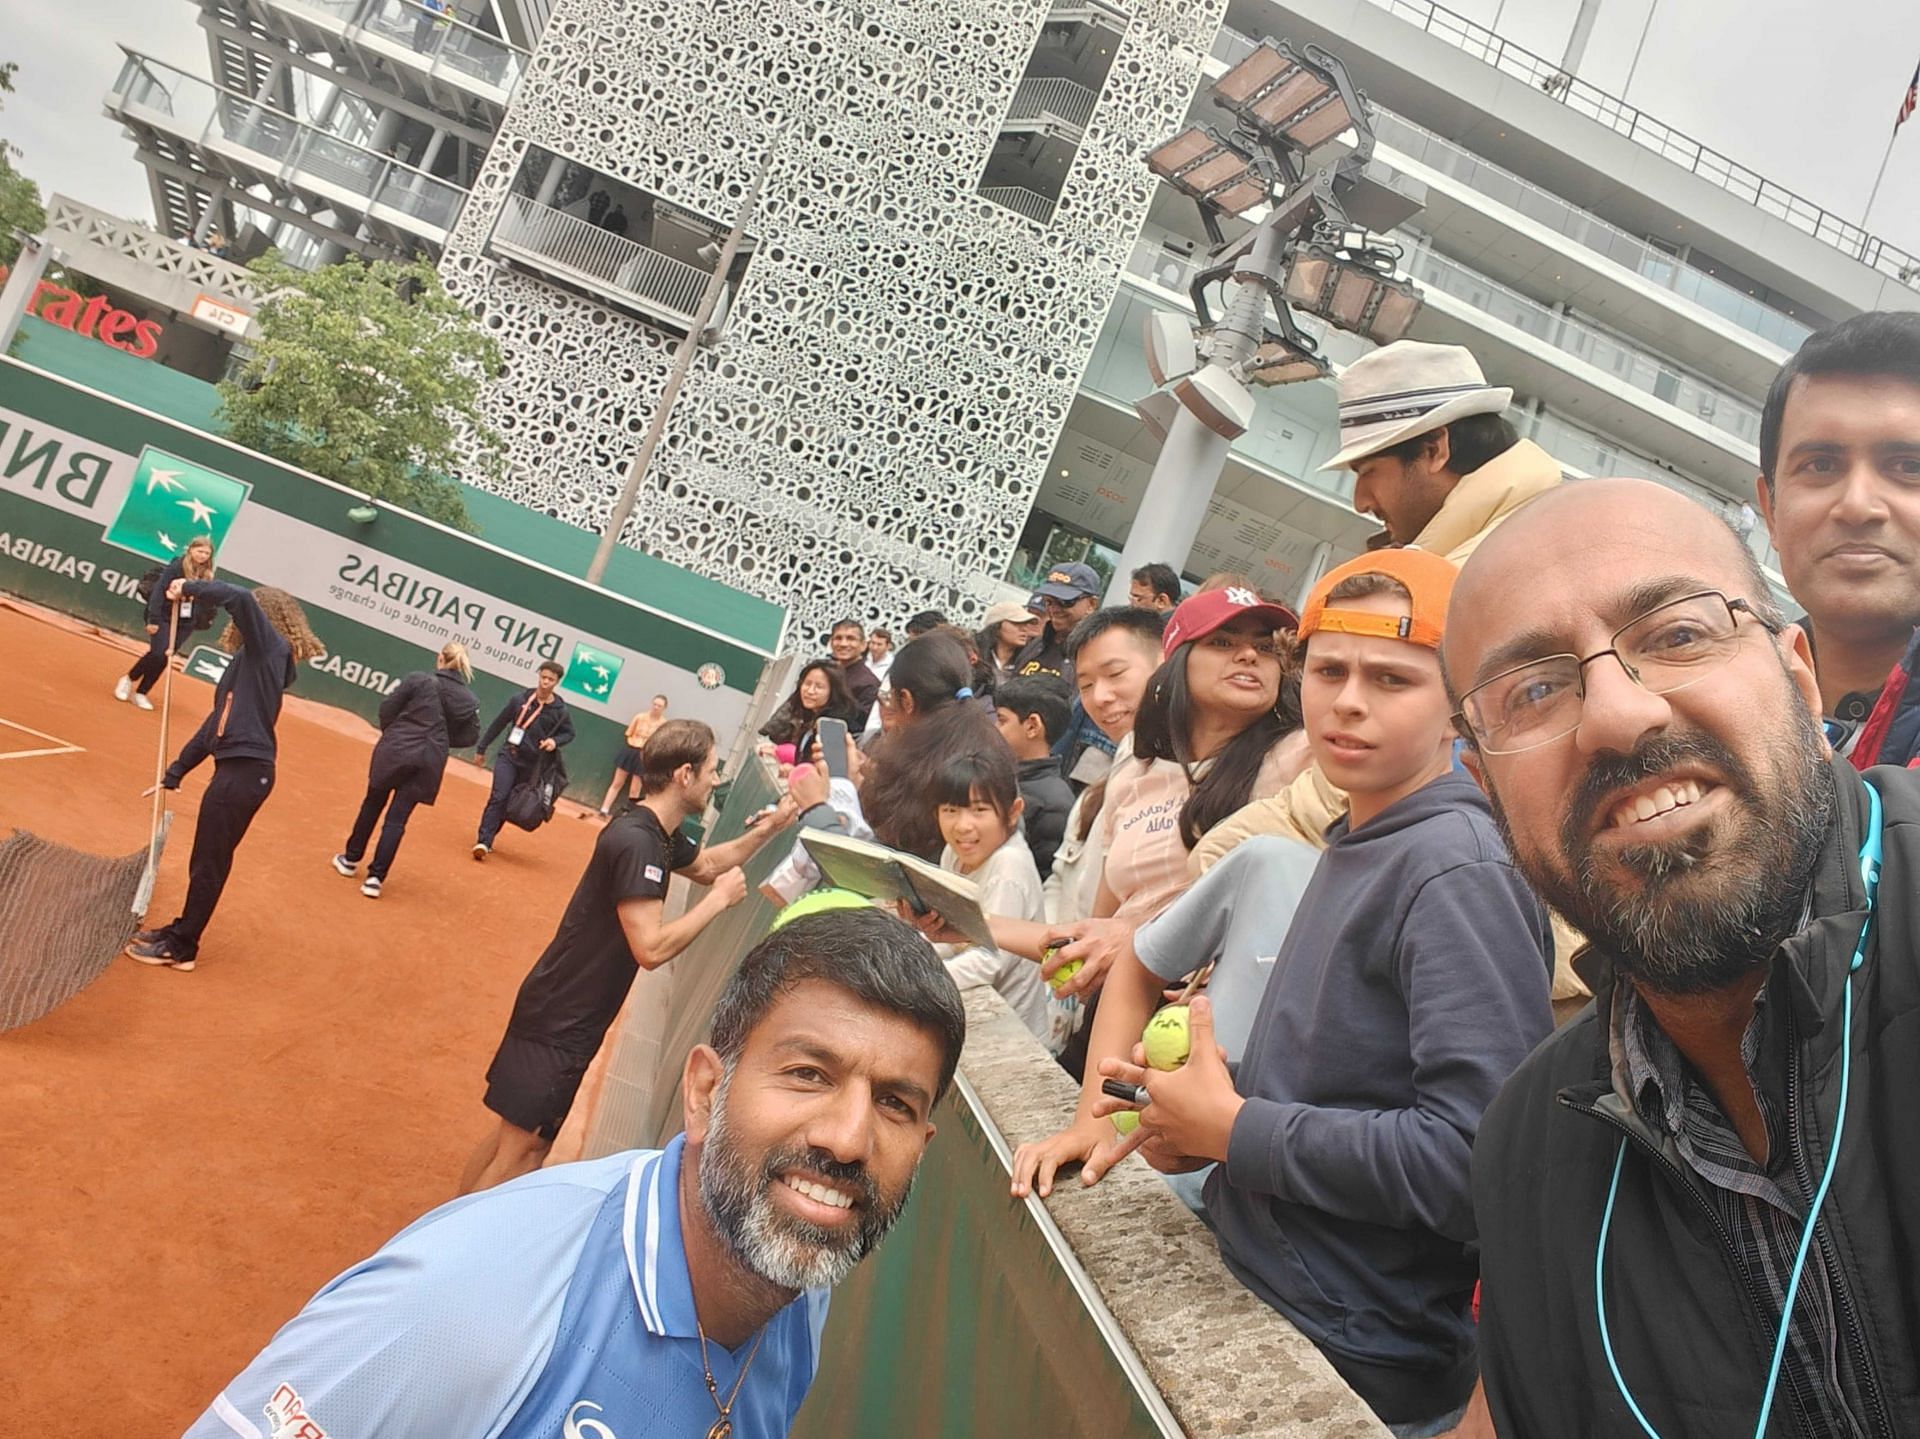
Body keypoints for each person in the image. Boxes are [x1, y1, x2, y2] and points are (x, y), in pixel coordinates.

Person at [1444, 477, 1920, 1439]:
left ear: (1799, 676)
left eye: (1678, 634)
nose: (1617, 716)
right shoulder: (1529, 1154)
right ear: (1483, 784)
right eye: (1533, 689)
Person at [1047, 551, 1552, 1437]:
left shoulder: (1456, 871)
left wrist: (1237, 1130)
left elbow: (1475, 1163)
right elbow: (1344, 1086)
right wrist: (1187, 1118)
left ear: (1460, 704)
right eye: (1328, 669)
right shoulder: (1363, 833)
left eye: (1392, 678)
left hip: (1344, 1348)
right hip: (1270, 1282)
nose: (1348, 701)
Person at [185, 908, 964, 1439]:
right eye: (807, 1073)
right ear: (704, 1092)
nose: (849, 1137)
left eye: (894, 1103)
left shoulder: (800, 1285)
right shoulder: (468, 1301)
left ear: (922, 1145)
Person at [464, 720, 799, 1192]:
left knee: (515, 1142)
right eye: (710, 769)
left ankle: (446, 1237)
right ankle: (458, 1253)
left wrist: (771, 828)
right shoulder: (638, 841)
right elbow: (650, 947)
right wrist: (719, 902)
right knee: (523, 1151)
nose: (715, 779)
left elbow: (706, 865)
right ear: (684, 774)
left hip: (564, 1009)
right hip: (561, 1017)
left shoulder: (655, 832)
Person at [125, 581, 326, 971]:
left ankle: (182, 947)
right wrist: (177, 771)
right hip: (238, 770)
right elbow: (216, 722)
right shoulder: (252, 659)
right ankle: (180, 930)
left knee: (209, 862)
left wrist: (189, 587)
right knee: (207, 859)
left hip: (246, 773)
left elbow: (237, 598)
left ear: (264, 618)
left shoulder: (270, 648)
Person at [1754, 309, 1920, 767]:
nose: (1858, 506)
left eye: (1909, 467)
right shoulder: (1702, 709)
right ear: (1770, 511)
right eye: (1821, 465)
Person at [1326, 340, 1561, 562]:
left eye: (1367, 470)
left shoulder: (1483, 577)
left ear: (1434, 450)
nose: (1360, 502)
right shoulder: (1528, 541)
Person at [1044, 607, 1167, 925]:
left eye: (1115, 674)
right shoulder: (1098, 791)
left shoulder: (1186, 780)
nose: (1099, 697)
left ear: (1165, 662)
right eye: (1085, 685)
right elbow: (1059, 886)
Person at [331, 642, 482, 898]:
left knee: (372, 804)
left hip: (396, 750)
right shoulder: (469, 700)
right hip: (430, 760)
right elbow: (470, 737)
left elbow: (387, 709)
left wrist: (395, 733)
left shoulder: (417, 680)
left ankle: (349, 860)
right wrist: (439, 739)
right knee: (397, 820)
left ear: (440, 659)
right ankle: (375, 880)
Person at [928, 747, 1053, 1048]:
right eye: (950, 810)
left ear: (1013, 811)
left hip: (1014, 1035)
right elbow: (953, 936)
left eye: (979, 810)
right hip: (973, 1014)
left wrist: (921, 982)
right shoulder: (954, 853)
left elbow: (989, 960)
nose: (963, 825)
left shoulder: (1008, 866)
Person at [855, 632, 1003, 861]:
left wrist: (820, 807)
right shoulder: (990, 744)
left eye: (889, 697)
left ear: (906, 700)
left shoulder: (912, 759)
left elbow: (883, 859)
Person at [472, 660, 574, 860]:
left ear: (556, 682)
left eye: (550, 680)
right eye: (543, 677)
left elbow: (569, 733)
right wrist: (482, 747)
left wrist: (555, 741)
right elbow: (499, 723)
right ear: (539, 676)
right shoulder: (519, 700)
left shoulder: (560, 711)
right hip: (509, 755)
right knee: (499, 797)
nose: (545, 682)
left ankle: (489, 837)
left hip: (533, 766)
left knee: (509, 802)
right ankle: (484, 841)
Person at [115, 535, 216, 710]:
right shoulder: (177, 566)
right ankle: (128, 679)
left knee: (165, 657)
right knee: (158, 653)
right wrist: (153, 619)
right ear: (191, 550)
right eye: (200, 551)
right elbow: (159, 591)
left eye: (206, 553)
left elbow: (203, 600)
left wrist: (194, 619)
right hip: (162, 615)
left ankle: (142, 693)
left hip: (185, 622)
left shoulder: (207, 574)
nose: (202, 555)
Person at [992, 673, 1074, 878]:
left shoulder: (1053, 804)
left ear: (1032, 726)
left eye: (1002, 720)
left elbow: (1045, 879)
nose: (995, 729)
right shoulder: (998, 777)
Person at [1012, 563, 1102, 686]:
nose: (1054, 609)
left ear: (1091, 604)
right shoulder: (1036, 644)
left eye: (1064, 602)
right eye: (1048, 601)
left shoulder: (1098, 656)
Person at [759, 659, 856, 766]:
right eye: (807, 683)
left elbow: (825, 771)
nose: (810, 691)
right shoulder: (807, 716)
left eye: (819, 687)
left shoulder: (832, 727)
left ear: (834, 692)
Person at [600, 694, 669, 818]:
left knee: (635, 789)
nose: (656, 707)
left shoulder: (664, 725)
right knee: (617, 782)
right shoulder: (640, 717)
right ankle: (604, 809)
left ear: (664, 708)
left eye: (659, 706)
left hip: (645, 756)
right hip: (630, 751)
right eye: (655, 704)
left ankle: (627, 816)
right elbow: (629, 733)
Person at [827, 619, 881, 728]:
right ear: (831, 643)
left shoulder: (868, 683)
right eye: (838, 638)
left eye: (851, 638)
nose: (843, 644)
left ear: (863, 645)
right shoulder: (825, 672)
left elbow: (862, 725)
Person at [978, 600, 1043, 687]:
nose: (1025, 629)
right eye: (1017, 623)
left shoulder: (1029, 663)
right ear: (997, 627)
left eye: (1026, 624)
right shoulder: (973, 654)